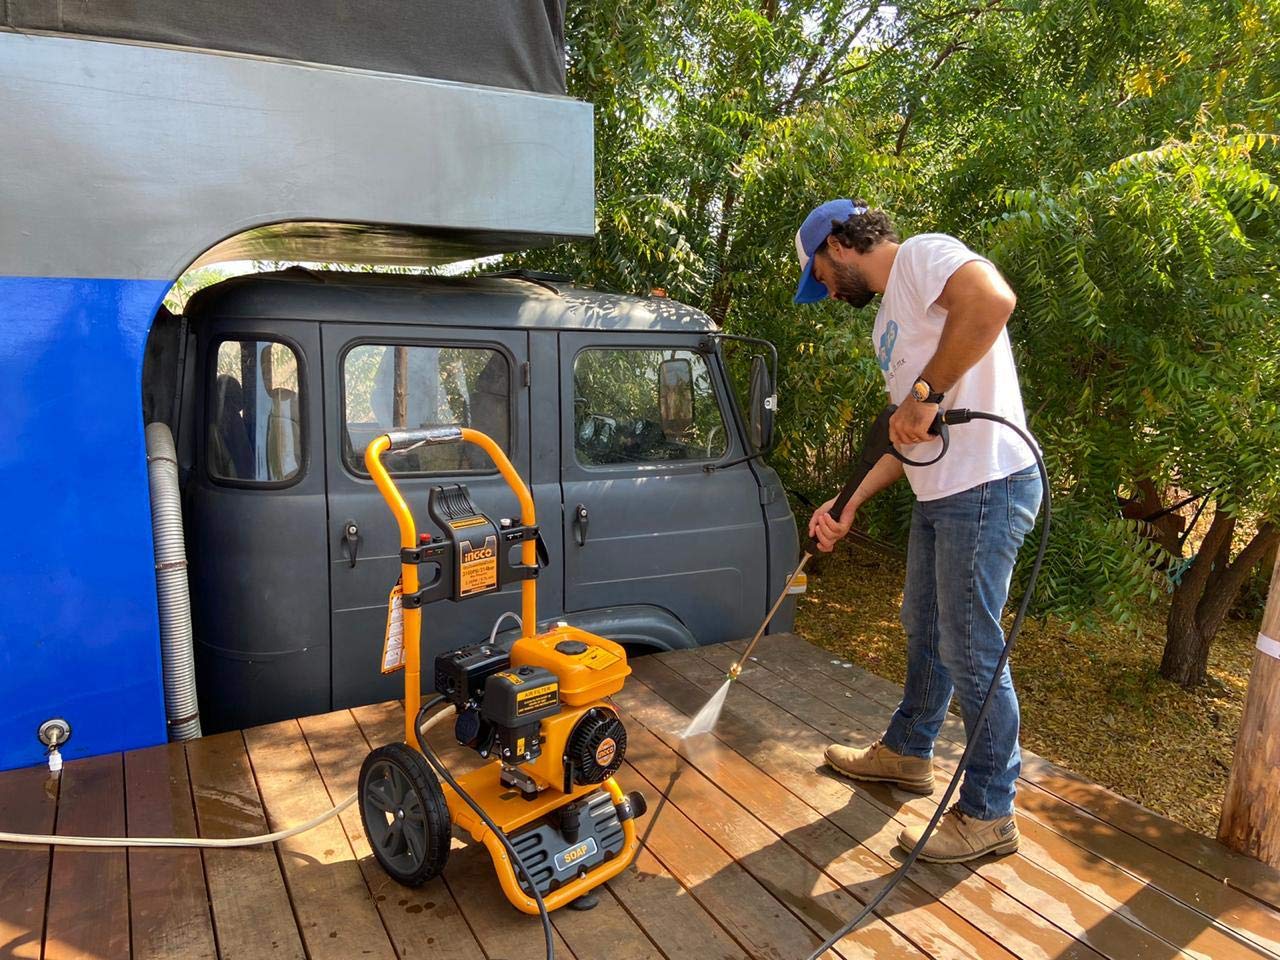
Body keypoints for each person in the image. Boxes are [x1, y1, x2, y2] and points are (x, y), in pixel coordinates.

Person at [794, 198, 1041, 863]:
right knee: (924, 626)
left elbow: (992, 301)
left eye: (816, 272)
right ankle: (907, 753)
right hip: (943, 493)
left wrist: (927, 392)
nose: (821, 287)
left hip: (987, 485)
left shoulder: (921, 257)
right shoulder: (887, 323)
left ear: (837, 245)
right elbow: (906, 436)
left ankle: (991, 812)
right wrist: (847, 505)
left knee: (971, 647)